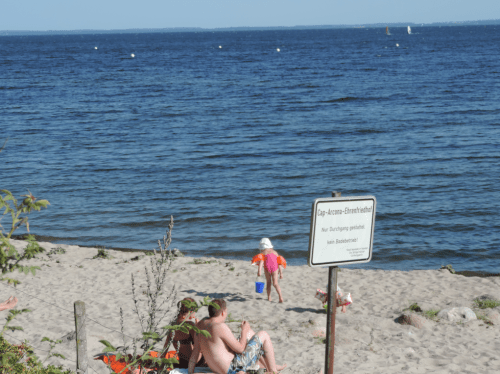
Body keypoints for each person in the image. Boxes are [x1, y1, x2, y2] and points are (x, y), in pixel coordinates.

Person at [188, 299, 287, 374]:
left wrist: (190, 371)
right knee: (263, 334)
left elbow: (196, 351)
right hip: (234, 367)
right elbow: (240, 349)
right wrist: (244, 330)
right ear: (223, 313)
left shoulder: (200, 325)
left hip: (217, 367)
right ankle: (273, 370)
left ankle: (269, 366)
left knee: (250, 333)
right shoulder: (220, 327)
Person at [163, 297, 207, 368]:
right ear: (191, 311)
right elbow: (200, 347)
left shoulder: (172, 326)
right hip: (195, 363)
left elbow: (165, 348)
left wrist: (162, 362)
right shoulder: (190, 326)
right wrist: (198, 327)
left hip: (182, 362)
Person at [256, 238, 284, 303]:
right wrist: (281, 273)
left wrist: (259, 271)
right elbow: (279, 263)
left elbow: (261, 262)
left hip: (267, 269)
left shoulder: (263, 253)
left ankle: (269, 297)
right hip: (275, 269)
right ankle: (280, 297)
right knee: (275, 283)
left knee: (268, 283)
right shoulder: (275, 252)